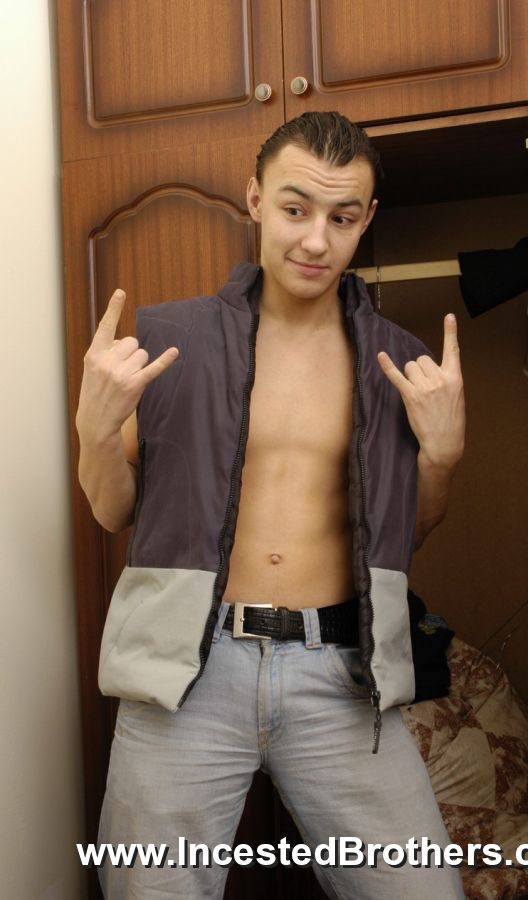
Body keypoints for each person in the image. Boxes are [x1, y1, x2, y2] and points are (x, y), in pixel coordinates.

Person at [76, 111, 466, 899]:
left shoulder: (399, 363)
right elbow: (113, 511)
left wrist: (442, 457)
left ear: (366, 220)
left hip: (341, 674)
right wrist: (94, 430)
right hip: (190, 669)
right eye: (295, 208)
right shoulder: (171, 341)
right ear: (255, 199)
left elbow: (412, 531)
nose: (315, 240)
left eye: (341, 218)